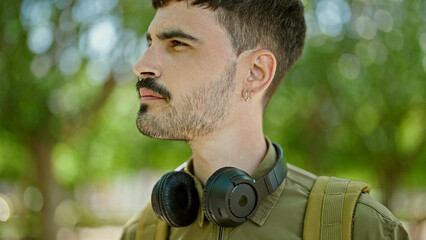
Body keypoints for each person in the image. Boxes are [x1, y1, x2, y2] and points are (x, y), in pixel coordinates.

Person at [121, 0, 410, 239]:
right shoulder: (140, 232)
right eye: (150, 42)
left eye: (177, 43)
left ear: (255, 73)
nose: (141, 65)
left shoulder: (360, 228)